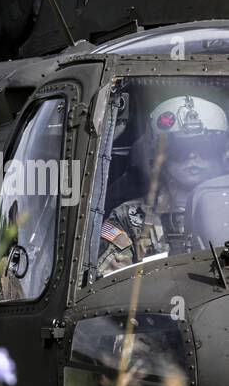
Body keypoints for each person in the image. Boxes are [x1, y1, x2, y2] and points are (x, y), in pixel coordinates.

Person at [98, 95, 229, 275]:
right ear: (159, 156)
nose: (193, 157)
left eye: (205, 147)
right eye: (180, 149)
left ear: (222, 154)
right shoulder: (128, 219)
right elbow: (108, 287)